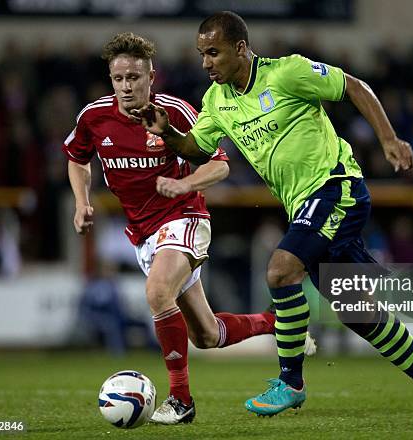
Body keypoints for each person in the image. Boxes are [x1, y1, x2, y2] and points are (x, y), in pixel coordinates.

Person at [130, 12, 413, 428]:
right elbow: (198, 148)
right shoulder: (216, 101)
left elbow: (354, 87)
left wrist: (388, 139)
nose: (206, 63)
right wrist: (168, 136)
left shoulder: (288, 73)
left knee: (280, 271)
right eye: (201, 55)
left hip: (336, 187)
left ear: (240, 49)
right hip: (304, 208)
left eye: (213, 53)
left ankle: (291, 382)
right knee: (355, 310)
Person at [64, 32, 284, 425]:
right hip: (143, 234)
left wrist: (185, 184)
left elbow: (220, 164)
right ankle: (277, 321)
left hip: (185, 219)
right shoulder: (94, 117)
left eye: (134, 77)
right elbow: (78, 158)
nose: (126, 86)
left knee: (156, 291)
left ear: (152, 76)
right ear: (110, 80)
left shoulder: (176, 112)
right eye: (119, 79)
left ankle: (181, 400)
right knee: (207, 335)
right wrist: (82, 201)